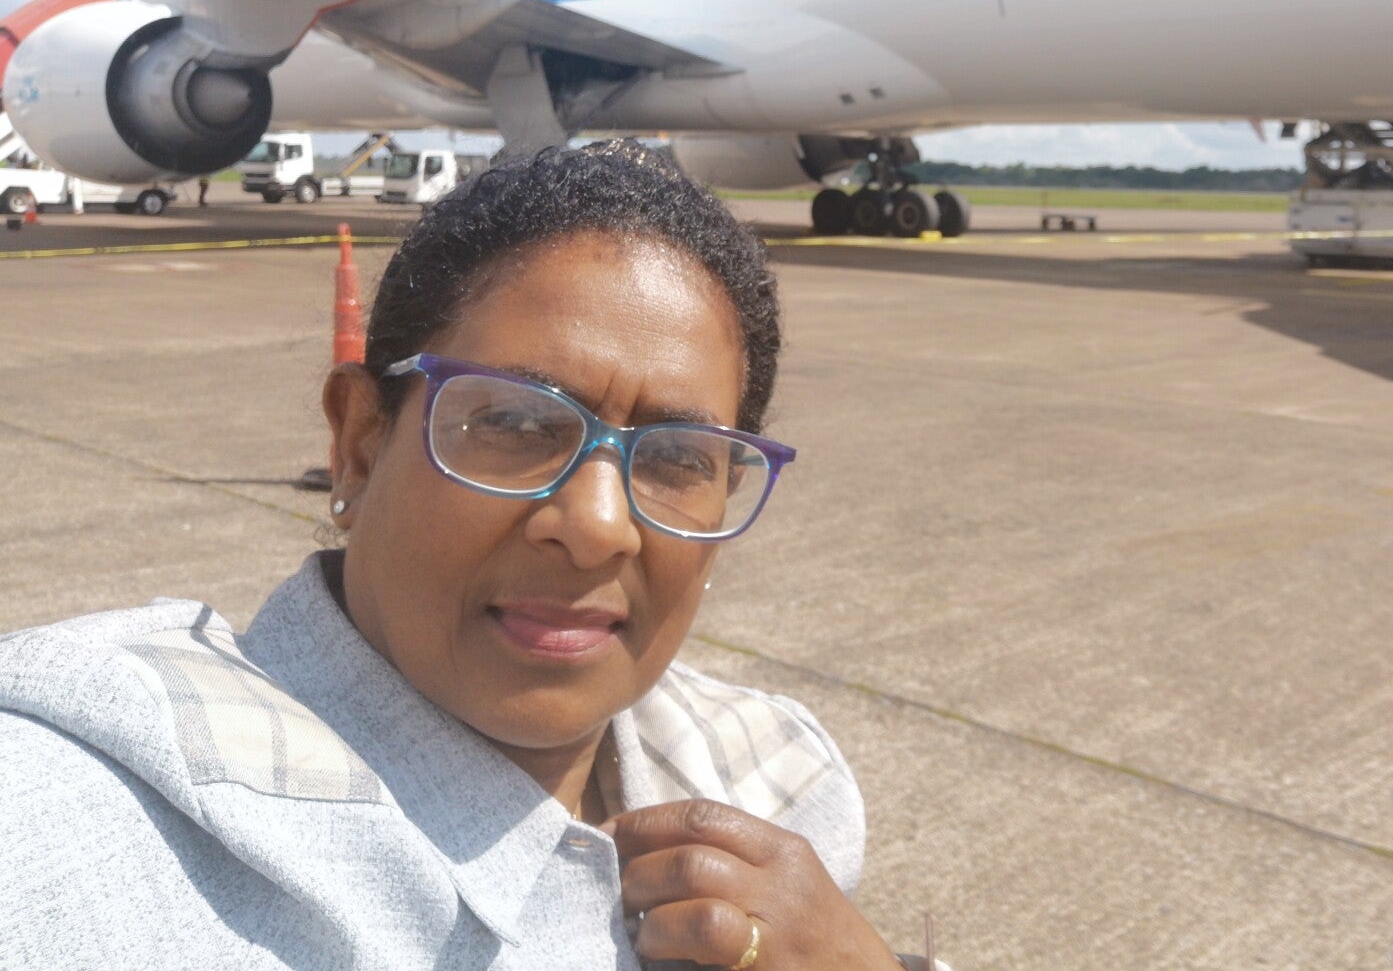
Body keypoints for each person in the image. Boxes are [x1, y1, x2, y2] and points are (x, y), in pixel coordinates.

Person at [0, 142, 936, 971]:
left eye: (679, 458)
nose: (598, 525)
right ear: (359, 444)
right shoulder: (85, 812)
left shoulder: (780, 782)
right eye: (516, 423)